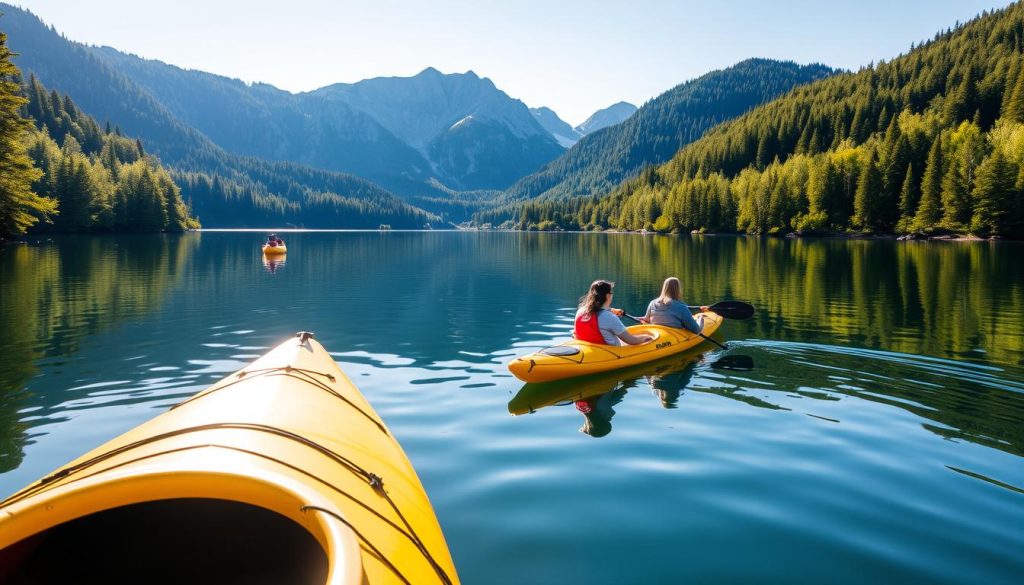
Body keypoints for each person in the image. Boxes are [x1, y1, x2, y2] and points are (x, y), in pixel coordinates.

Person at [574, 280, 653, 346]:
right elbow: (631, 340)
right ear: (608, 296)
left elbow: (597, 312)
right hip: (610, 353)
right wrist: (646, 337)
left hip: (588, 348)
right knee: (644, 338)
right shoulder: (609, 317)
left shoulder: (581, 311)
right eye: (611, 292)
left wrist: (611, 310)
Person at [640, 277, 709, 334]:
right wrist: (700, 318)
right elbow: (696, 330)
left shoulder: (652, 303)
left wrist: (640, 318)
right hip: (672, 336)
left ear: (664, 288)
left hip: (656, 332)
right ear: (678, 290)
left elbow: (646, 320)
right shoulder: (682, 307)